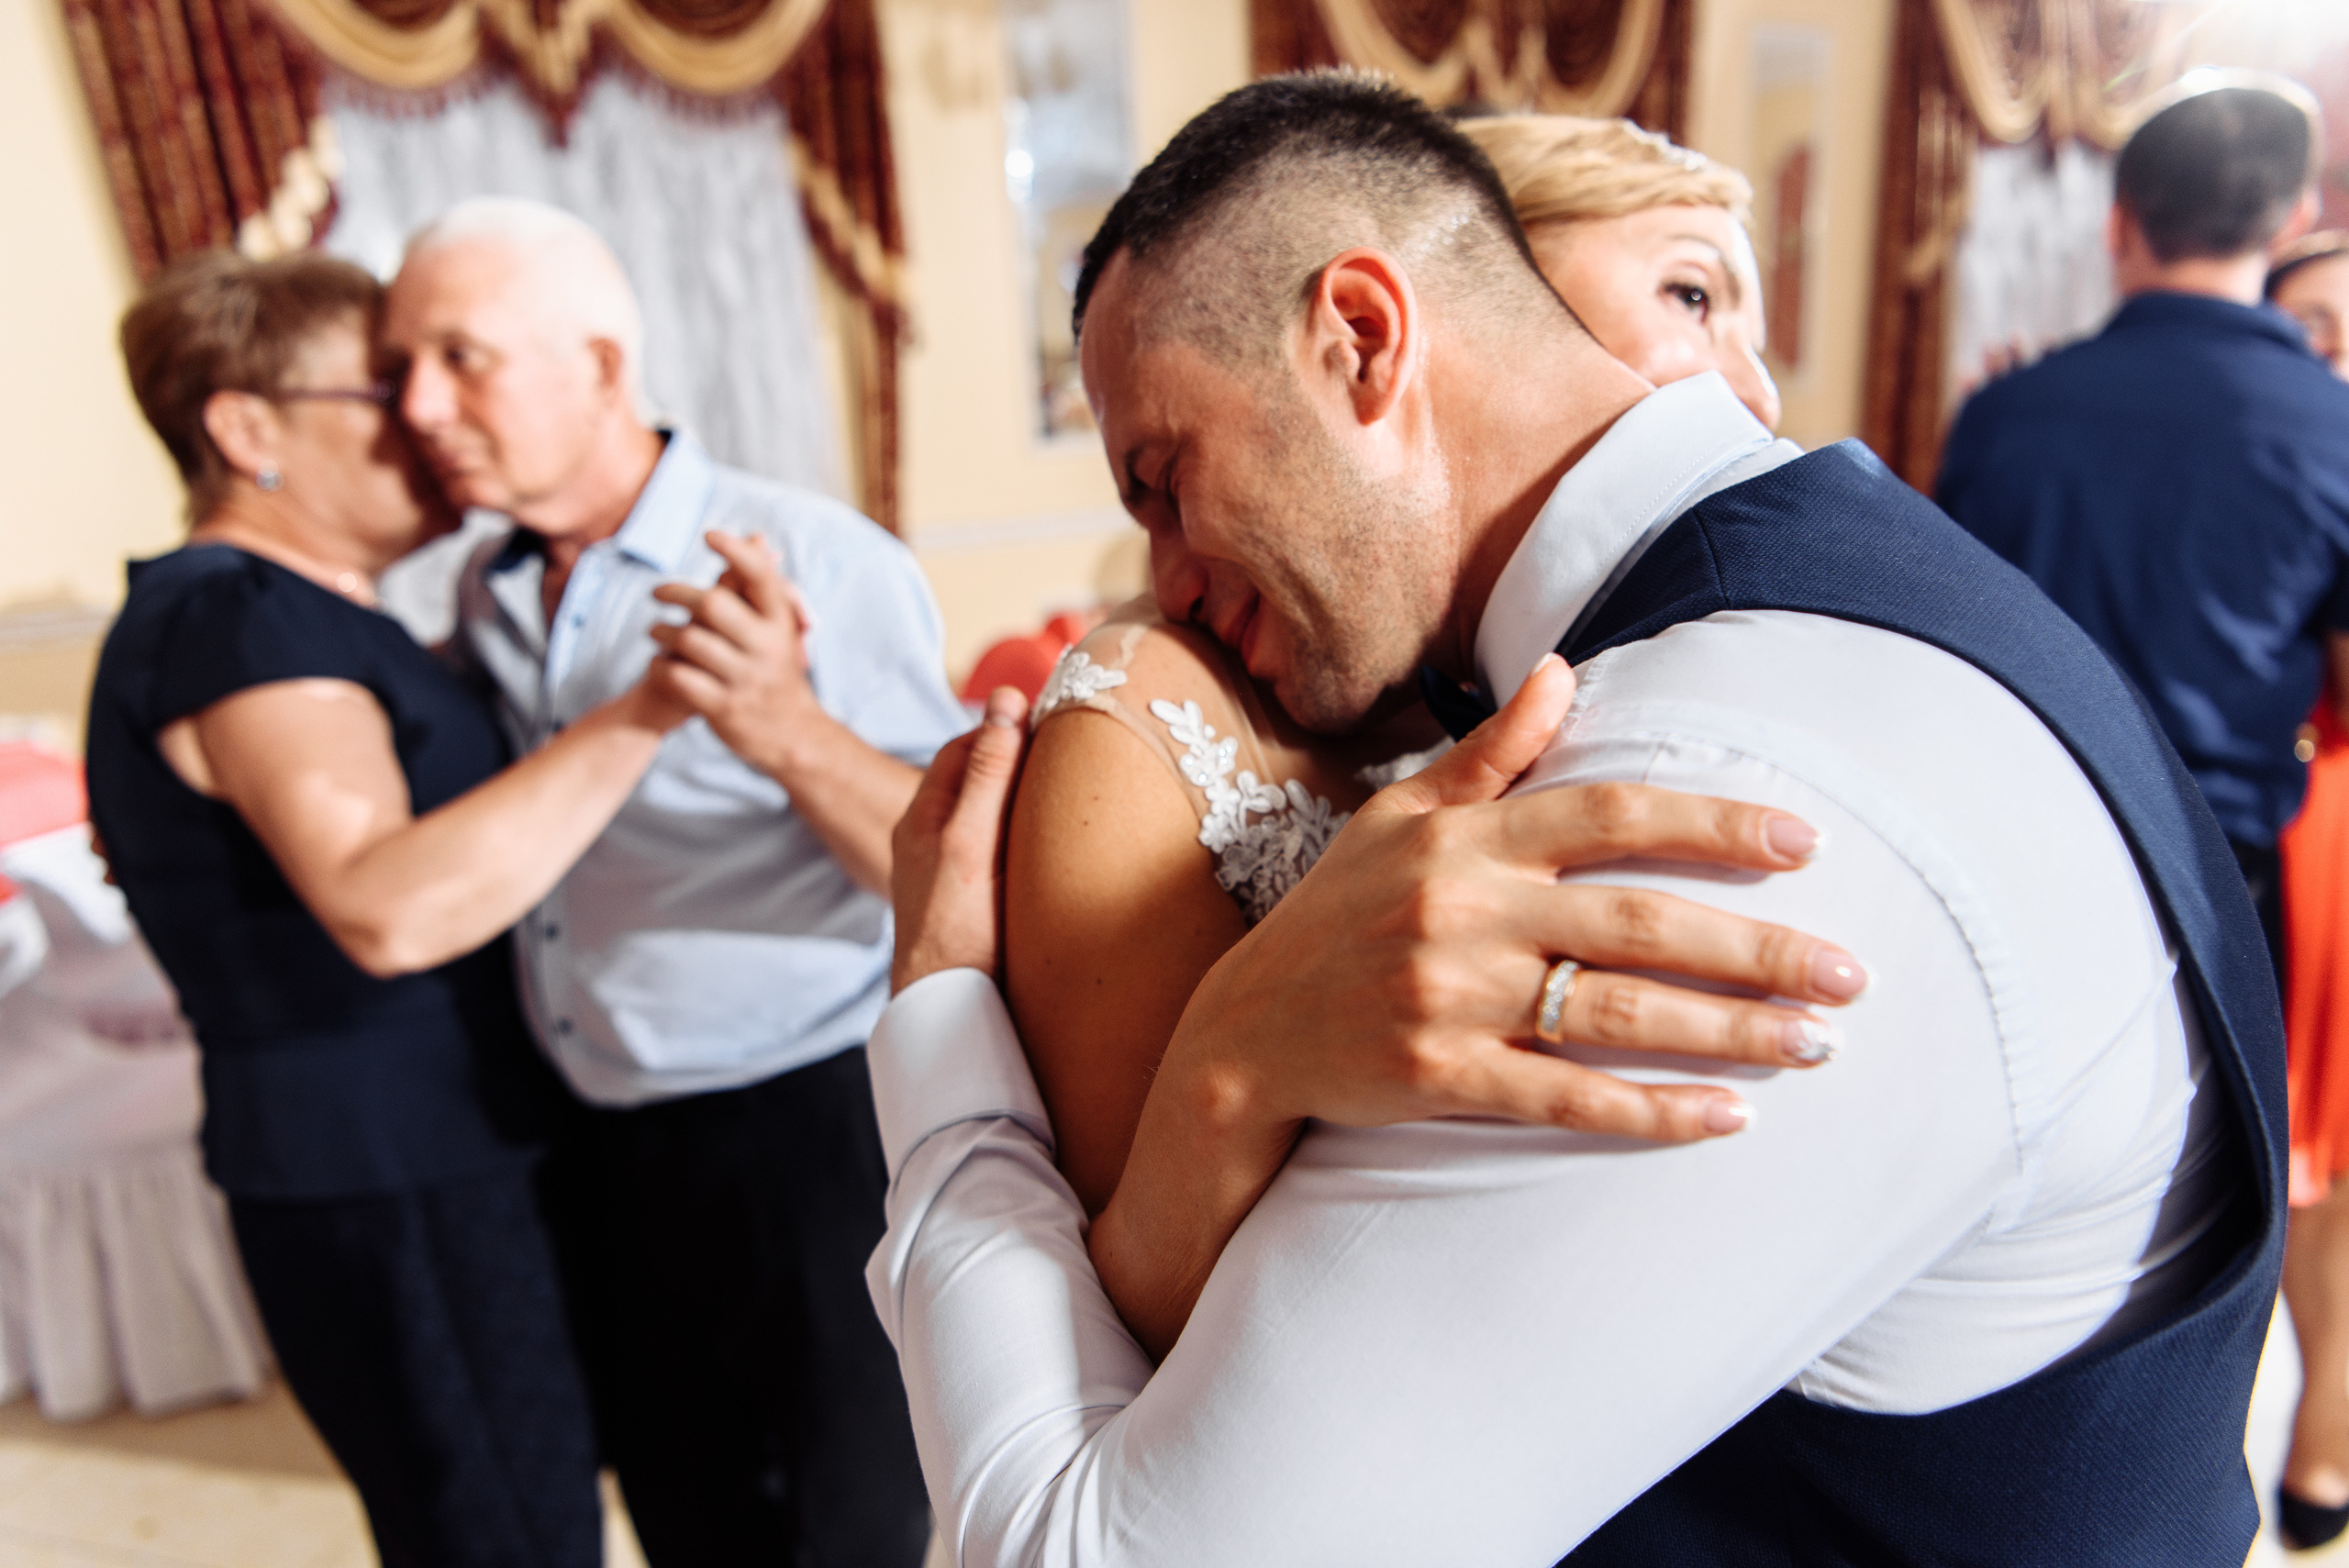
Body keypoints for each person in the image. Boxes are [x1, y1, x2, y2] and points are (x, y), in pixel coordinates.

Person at [861, 72, 2282, 1563]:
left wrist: (940, 1029)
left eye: (1164, 478)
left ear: (1358, 337)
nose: (1166, 573)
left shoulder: (1716, 803)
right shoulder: (1838, 593)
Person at [1008, 111, 1798, 1221]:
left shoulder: (1707, 661)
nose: (1754, 394)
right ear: (1377, 337)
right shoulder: (1170, 699)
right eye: (1689, 294)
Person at [89, 251, 698, 1567]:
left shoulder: (286, 613)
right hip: (390, 1168)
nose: (426, 413)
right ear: (248, 428)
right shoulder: (242, 618)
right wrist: (650, 708)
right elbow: (384, 907)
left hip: (414, 1152)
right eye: (381, 388)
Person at [380, 197, 962, 1567]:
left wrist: (784, 728)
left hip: (805, 1135)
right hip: (594, 1139)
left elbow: (952, 868)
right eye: (403, 365)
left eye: (462, 358)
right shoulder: (479, 588)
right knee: (685, 1519)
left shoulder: (814, 561)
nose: (418, 404)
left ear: (598, 363)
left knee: (844, 1532)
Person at [1937, 81, 2346, 985]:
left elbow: (1944, 637)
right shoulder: (2334, 431)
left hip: (2002, 854)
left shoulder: (2005, 414)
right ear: (2291, 222)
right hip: (2211, 878)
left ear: (2116, 224)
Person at [2266, 228, 2349, 1548]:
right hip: (2287, 814)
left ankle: (2329, 1432)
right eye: (2309, 333)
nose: (2328, 355)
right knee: (2292, 1154)